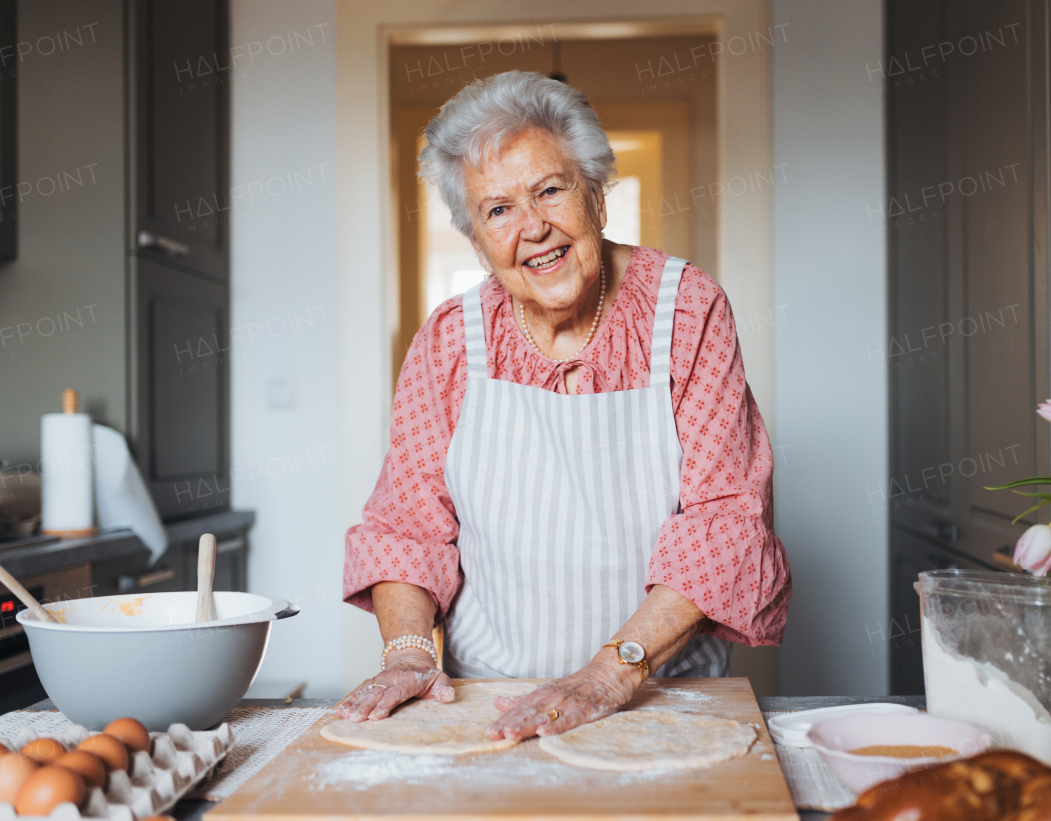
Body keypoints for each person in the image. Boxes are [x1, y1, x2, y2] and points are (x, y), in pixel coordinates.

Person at [338, 70, 790, 741]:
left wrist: (608, 674)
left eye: (550, 190)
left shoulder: (686, 311)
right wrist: (408, 651)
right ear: (477, 239)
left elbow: (725, 519)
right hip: (489, 700)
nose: (534, 229)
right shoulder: (449, 341)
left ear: (597, 195)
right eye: (498, 210)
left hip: (659, 695)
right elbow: (407, 528)